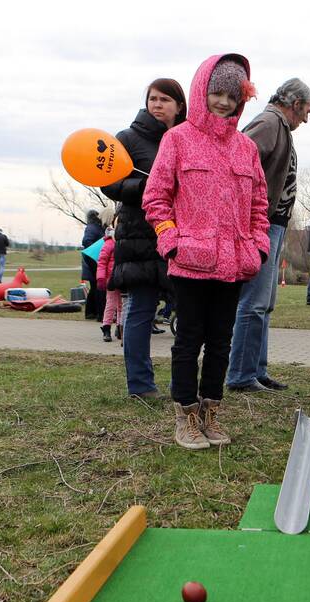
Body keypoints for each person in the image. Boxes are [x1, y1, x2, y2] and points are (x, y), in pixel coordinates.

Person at [143, 53, 268, 450]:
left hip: (234, 265)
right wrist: (171, 240)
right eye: (217, 93)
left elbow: (260, 206)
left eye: (233, 95)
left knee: (221, 342)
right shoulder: (177, 139)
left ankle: (210, 414)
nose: (224, 103)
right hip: (191, 262)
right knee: (188, 340)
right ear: (202, 91)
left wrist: (259, 247)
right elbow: (156, 197)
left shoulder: (247, 147)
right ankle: (185, 417)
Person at [226, 78, 310, 393]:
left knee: (265, 302)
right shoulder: (268, 122)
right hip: (261, 224)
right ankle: (240, 375)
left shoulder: (278, 126)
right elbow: (236, 162)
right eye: (306, 111)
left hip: (273, 225)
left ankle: (256, 371)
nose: (306, 119)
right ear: (295, 104)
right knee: (253, 302)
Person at [102, 78, 187, 398]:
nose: (157, 104)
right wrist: (147, 188)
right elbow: (108, 184)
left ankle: (183, 384)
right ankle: (140, 384)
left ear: (180, 106)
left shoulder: (186, 139)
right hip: (140, 236)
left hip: (181, 238)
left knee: (189, 314)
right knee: (141, 310)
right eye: (153, 98)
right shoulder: (127, 139)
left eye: (165, 99)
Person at [95, 206, 120, 343]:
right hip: (111, 279)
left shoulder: (122, 243)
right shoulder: (109, 243)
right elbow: (102, 261)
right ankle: (106, 327)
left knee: (121, 305)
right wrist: (100, 278)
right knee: (111, 304)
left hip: (121, 278)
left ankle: (120, 327)